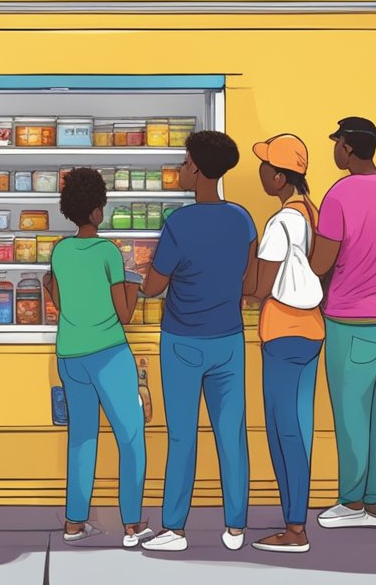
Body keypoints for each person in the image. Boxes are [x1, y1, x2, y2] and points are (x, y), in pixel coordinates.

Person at [140, 131, 257, 554]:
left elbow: (153, 287)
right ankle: (236, 526)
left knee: (182, 436)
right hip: (228, 339)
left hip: (182, 341)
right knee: (232, 434)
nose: (182, 169)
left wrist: (141, 272)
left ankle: (174, 528)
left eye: (186, 162)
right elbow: (253, 281)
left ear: (198, 168)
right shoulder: (242, 219)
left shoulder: (179, 223)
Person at [309, 117, 376, 530]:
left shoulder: (338, 195)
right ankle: (375, 503)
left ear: (349, 148)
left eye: (336, 143)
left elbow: (321, 262)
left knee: (351, 416)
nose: (334, 150)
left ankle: (351, 503)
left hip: (352, 321)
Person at [44, 168, 152, 549]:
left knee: (82, 438)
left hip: (70, 354)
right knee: (131, 435)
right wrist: (135, 281)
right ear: (94, 212)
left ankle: (75, 522)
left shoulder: (60, 250)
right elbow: (123, 314)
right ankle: (133, 525)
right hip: (108, 352)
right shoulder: (108, 251)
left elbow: (57, 299)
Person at [244, 134, 323, 554]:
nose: (259, 172)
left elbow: (260, 286)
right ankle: (297, 520)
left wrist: (242, 269)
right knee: (299, 428)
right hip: (311, 328)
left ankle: (295, 530)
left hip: (282, 332)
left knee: (283, 430)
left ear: (278, 176)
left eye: (264, 166)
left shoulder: (280, 223)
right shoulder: (311, 211)